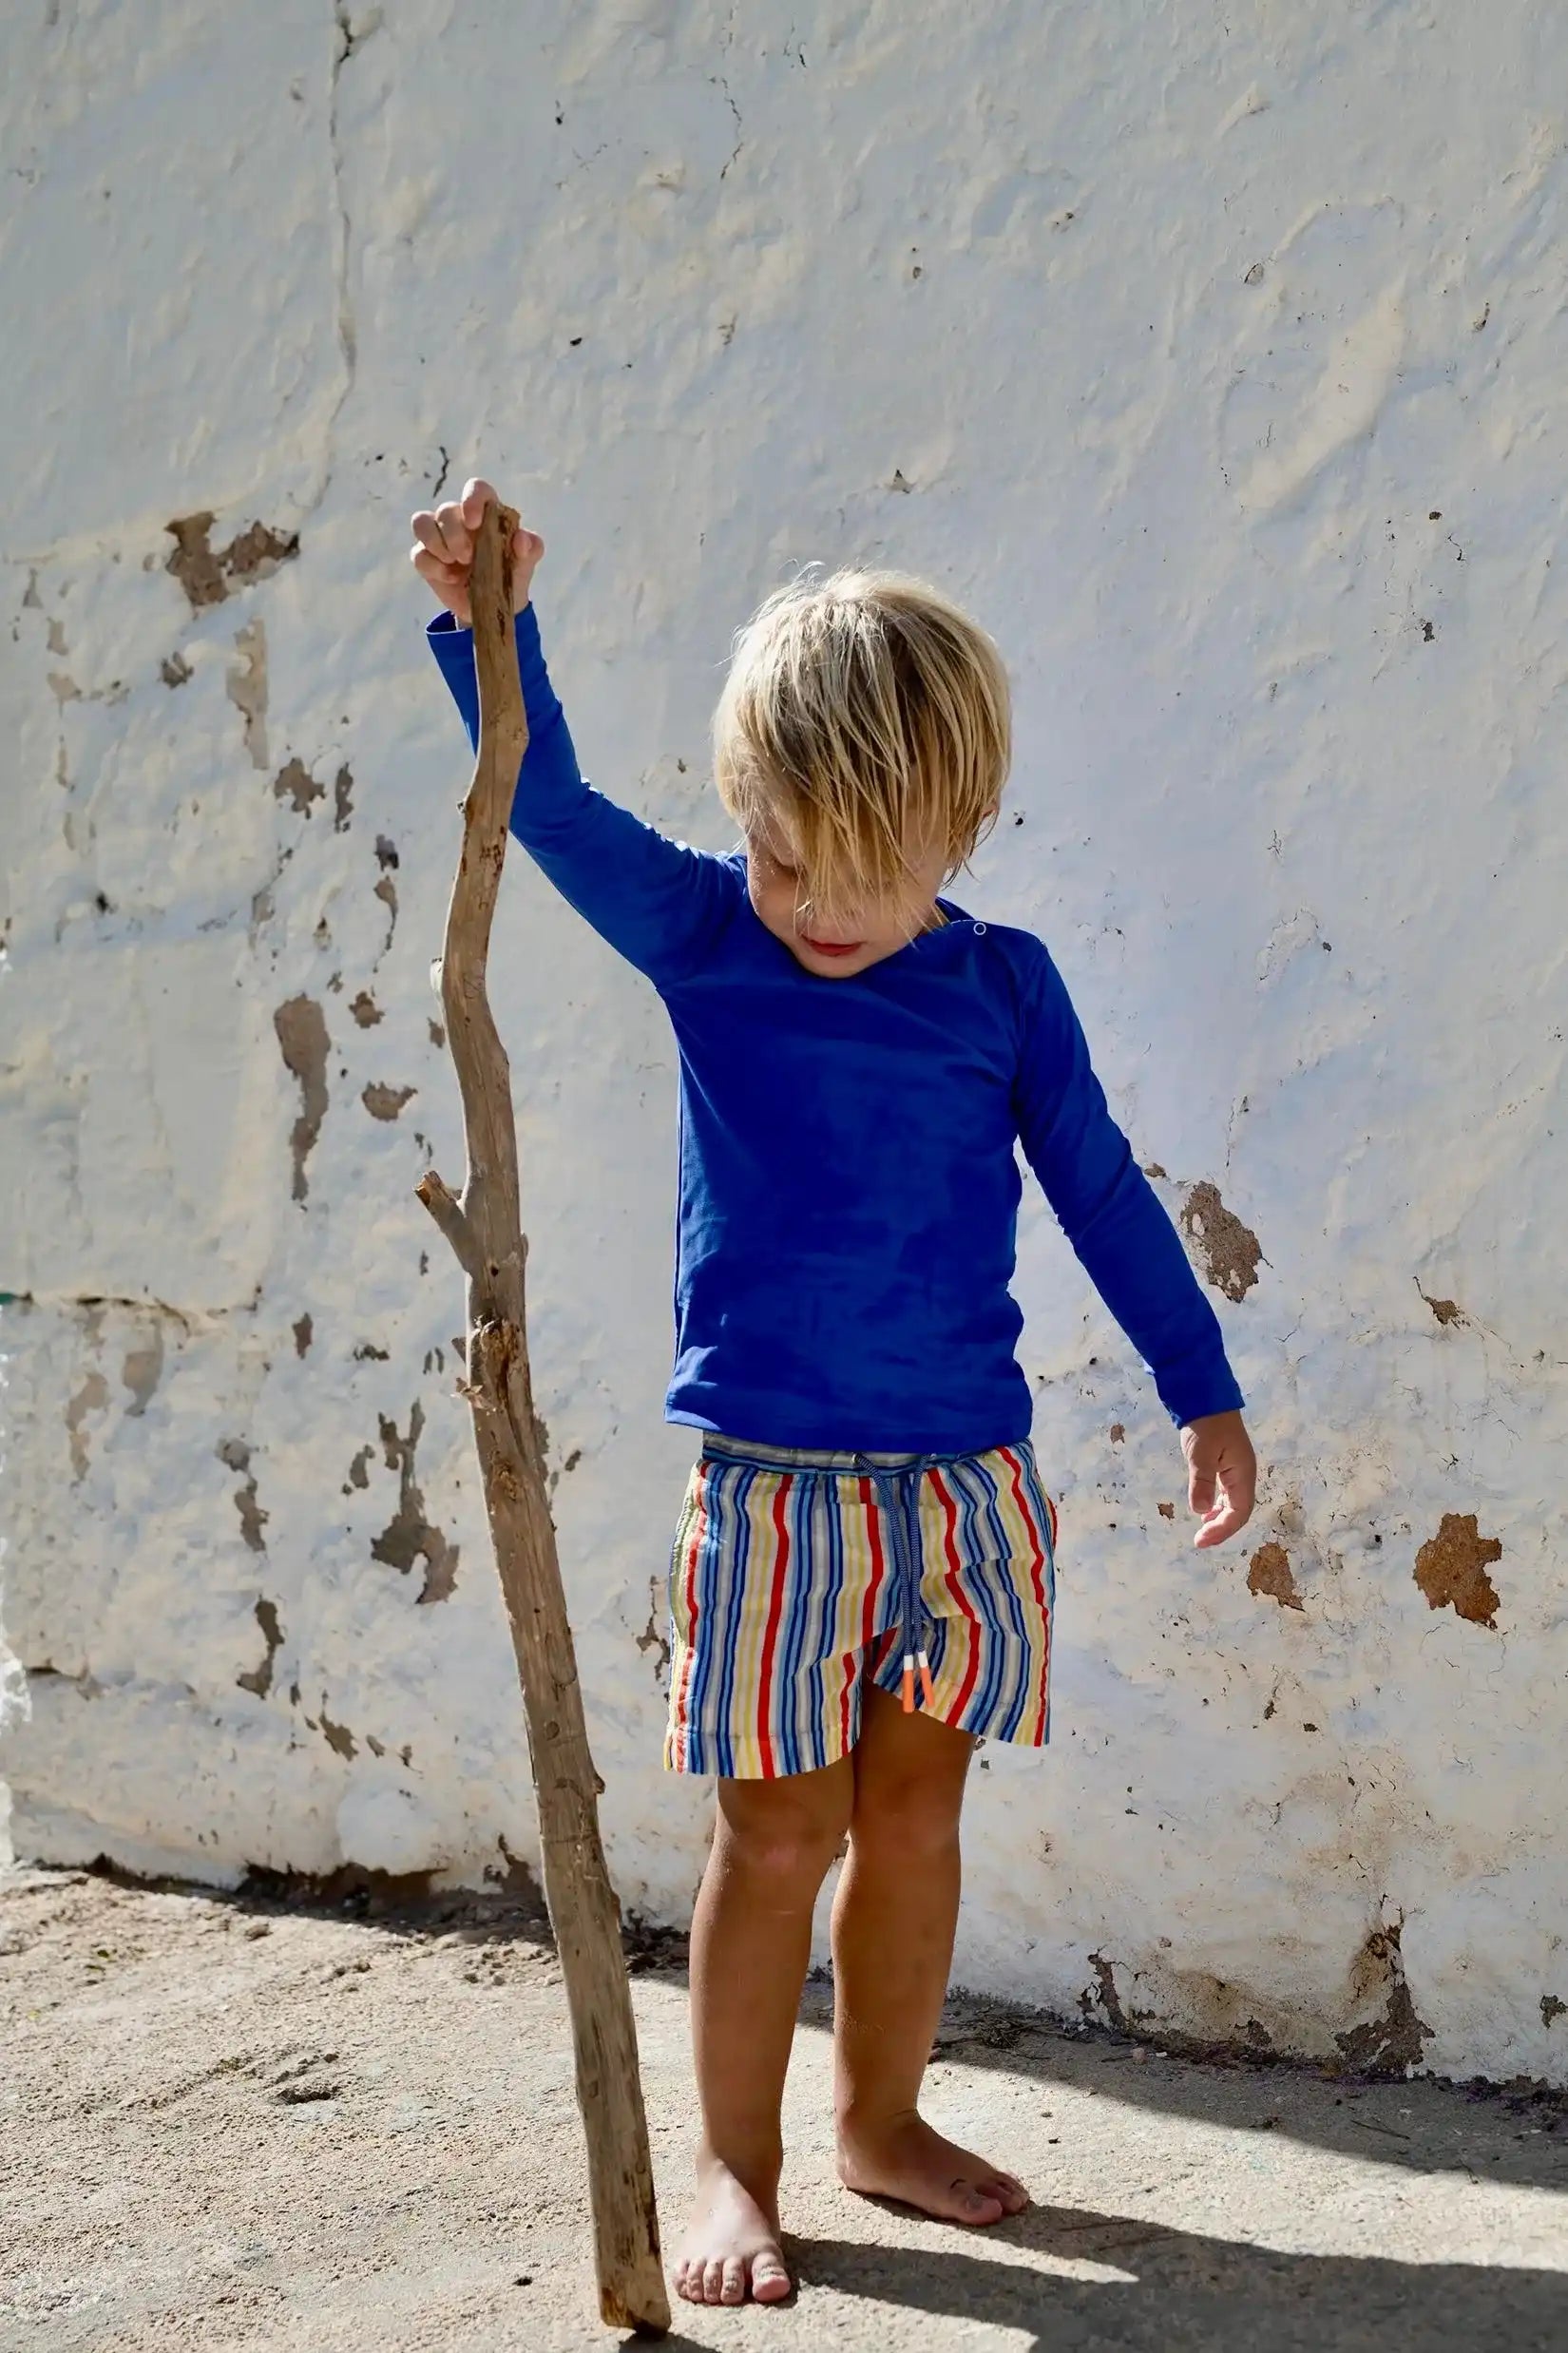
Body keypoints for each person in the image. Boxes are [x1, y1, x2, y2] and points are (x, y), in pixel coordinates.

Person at [410, 478, 1257, 2308]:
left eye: (858, 868)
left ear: (956, 828)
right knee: (773, 1831)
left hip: (962, 1491)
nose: (810, 902)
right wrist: (492, 620)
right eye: (779, 853)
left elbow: (1099, 1190)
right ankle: (735, 2162)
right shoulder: (711, 938)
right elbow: (539, 801)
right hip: (777, 1492)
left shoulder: (1003, 994)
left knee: (917, 1822)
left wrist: (1202, 1388)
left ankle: (881, 2121)